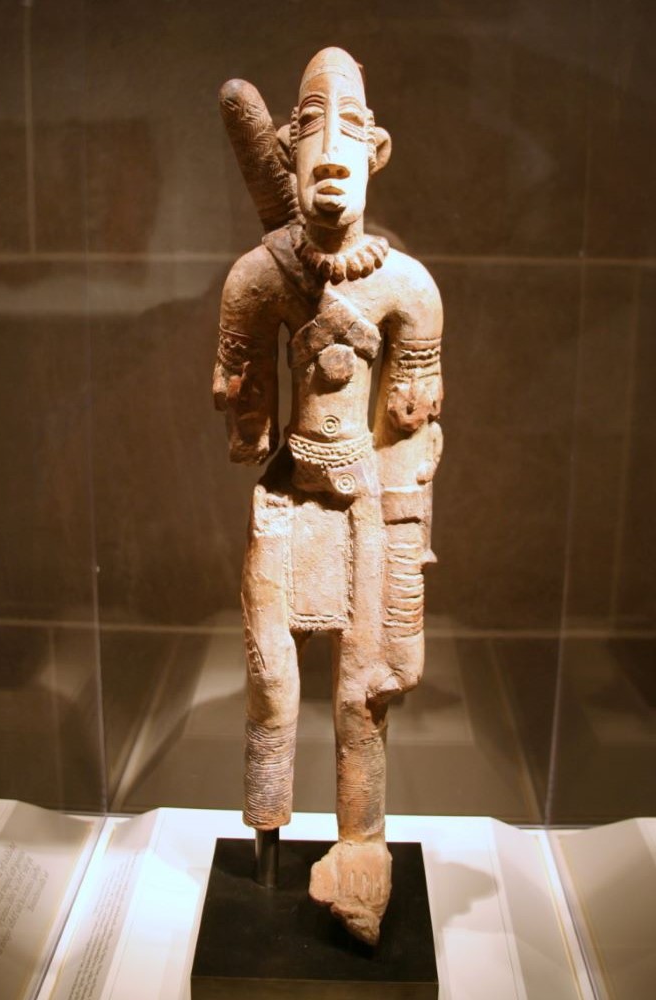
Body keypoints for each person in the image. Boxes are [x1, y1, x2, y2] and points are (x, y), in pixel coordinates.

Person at [213, 47, 443, 945]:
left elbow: (410, 437)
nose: (333, 150)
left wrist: (402, 556)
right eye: (313, 128)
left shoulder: (409, 289)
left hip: (366, 509)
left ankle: (360, 846)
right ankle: (267, 830)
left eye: (351, 129)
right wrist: (243, 398)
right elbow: (250, 429)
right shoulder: (259, 276)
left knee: (361, 694)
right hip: (287, 500)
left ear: (376, 152)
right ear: (289, 152)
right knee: (272, 681)